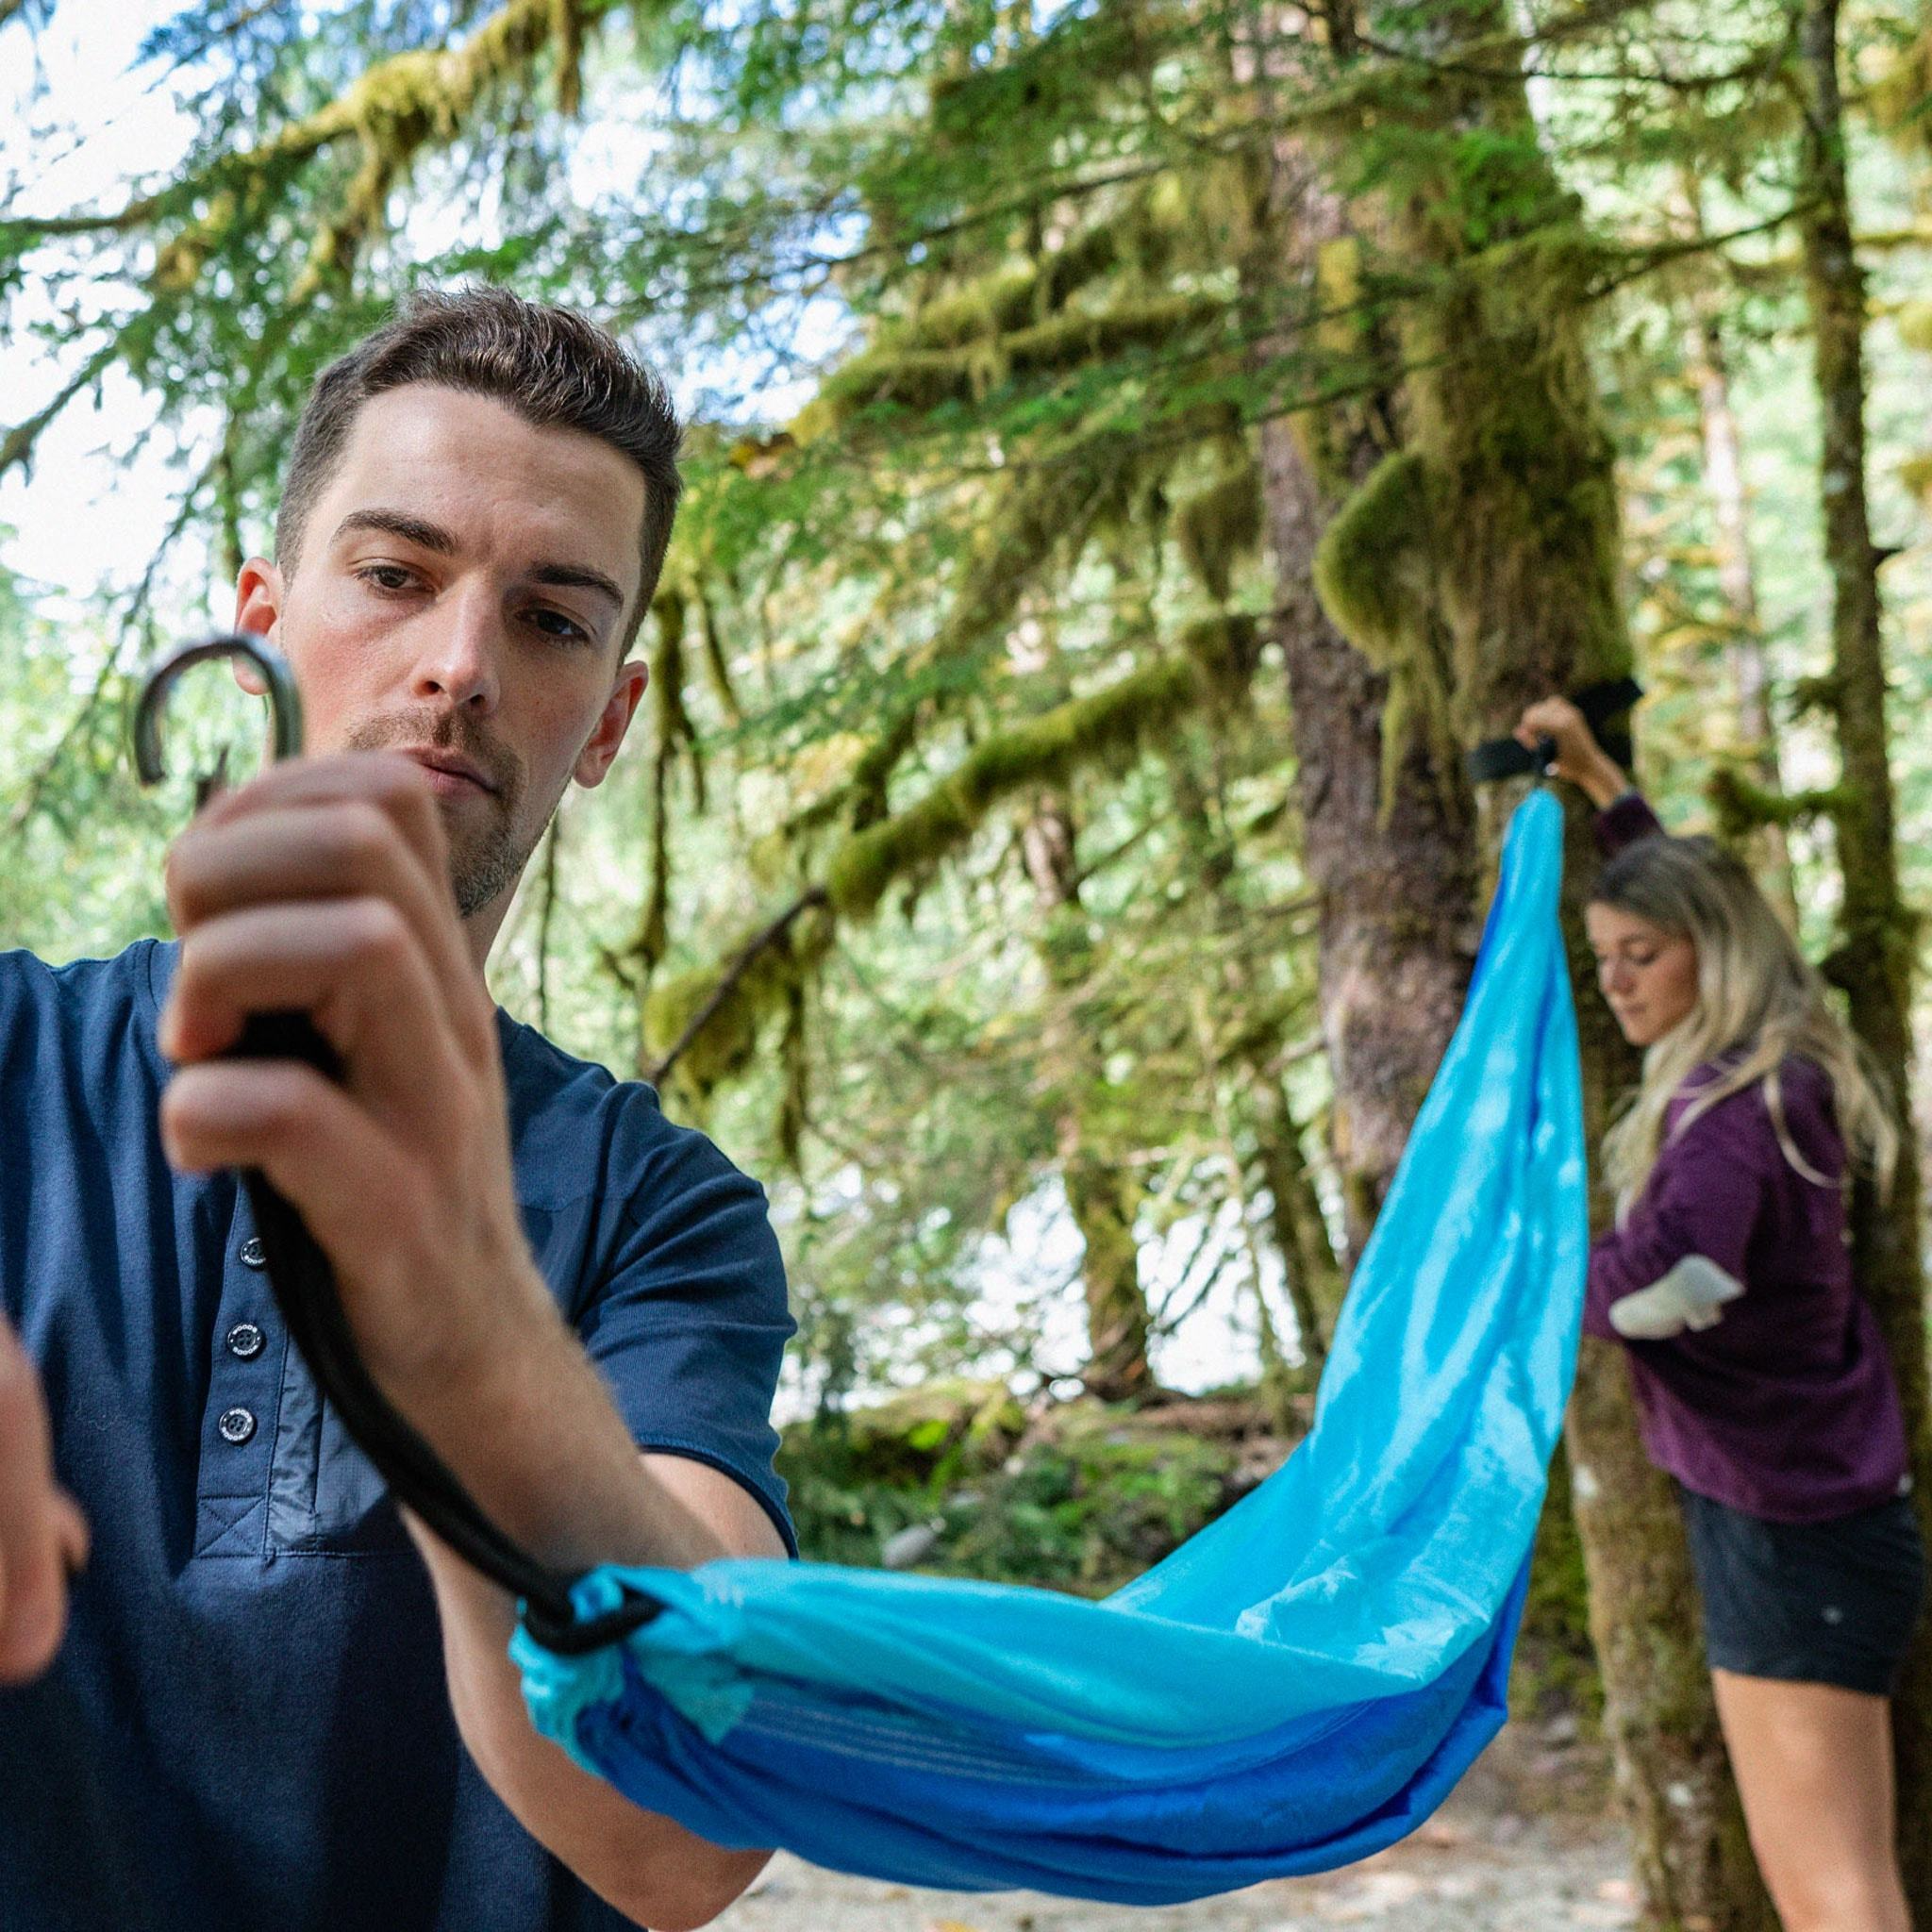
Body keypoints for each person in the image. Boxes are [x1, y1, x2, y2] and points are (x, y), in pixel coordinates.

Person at [0, 288, 796, 1931]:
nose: (458, 667)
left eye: (554, 620)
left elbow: (691, 1842)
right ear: (263, 613)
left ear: (611, 722)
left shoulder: (666, 1215)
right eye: (394, 576)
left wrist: (453, 1336)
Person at [1519, 695, 1924, 1932]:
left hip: (1795, 1531)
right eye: (1604, 960)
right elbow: (1701, 904)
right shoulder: (1775, 1051)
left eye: (1643, 957)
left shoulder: (1735, 1112)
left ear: (1712, 954)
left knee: (1832, 1887)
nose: (1619, 983)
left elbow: (1670, 1283)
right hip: (1801, 1514)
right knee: (1819, 1875)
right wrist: (1603, 791)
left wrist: (1517, 1284)